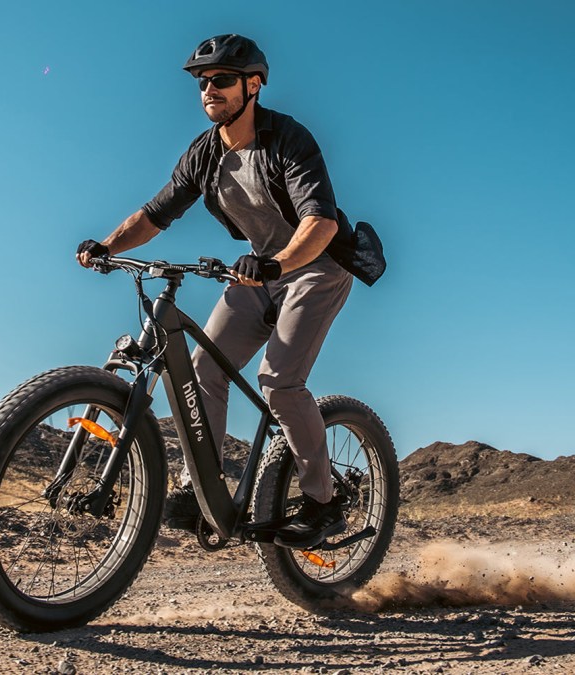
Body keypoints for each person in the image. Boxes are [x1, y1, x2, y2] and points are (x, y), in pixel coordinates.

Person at [76, 34, 384, 549]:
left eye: (220, 80)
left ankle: (323, 503)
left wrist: (277, 264)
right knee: (203, 370)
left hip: (314, 268)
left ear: (253, 85)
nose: (208, 90)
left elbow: (322, 224)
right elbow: (155, 214)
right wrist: (107, 246)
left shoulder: (288, 139)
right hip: (255, 275)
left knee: (280, 381)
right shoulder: (205, 153)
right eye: (202, 83)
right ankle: (206, 488)